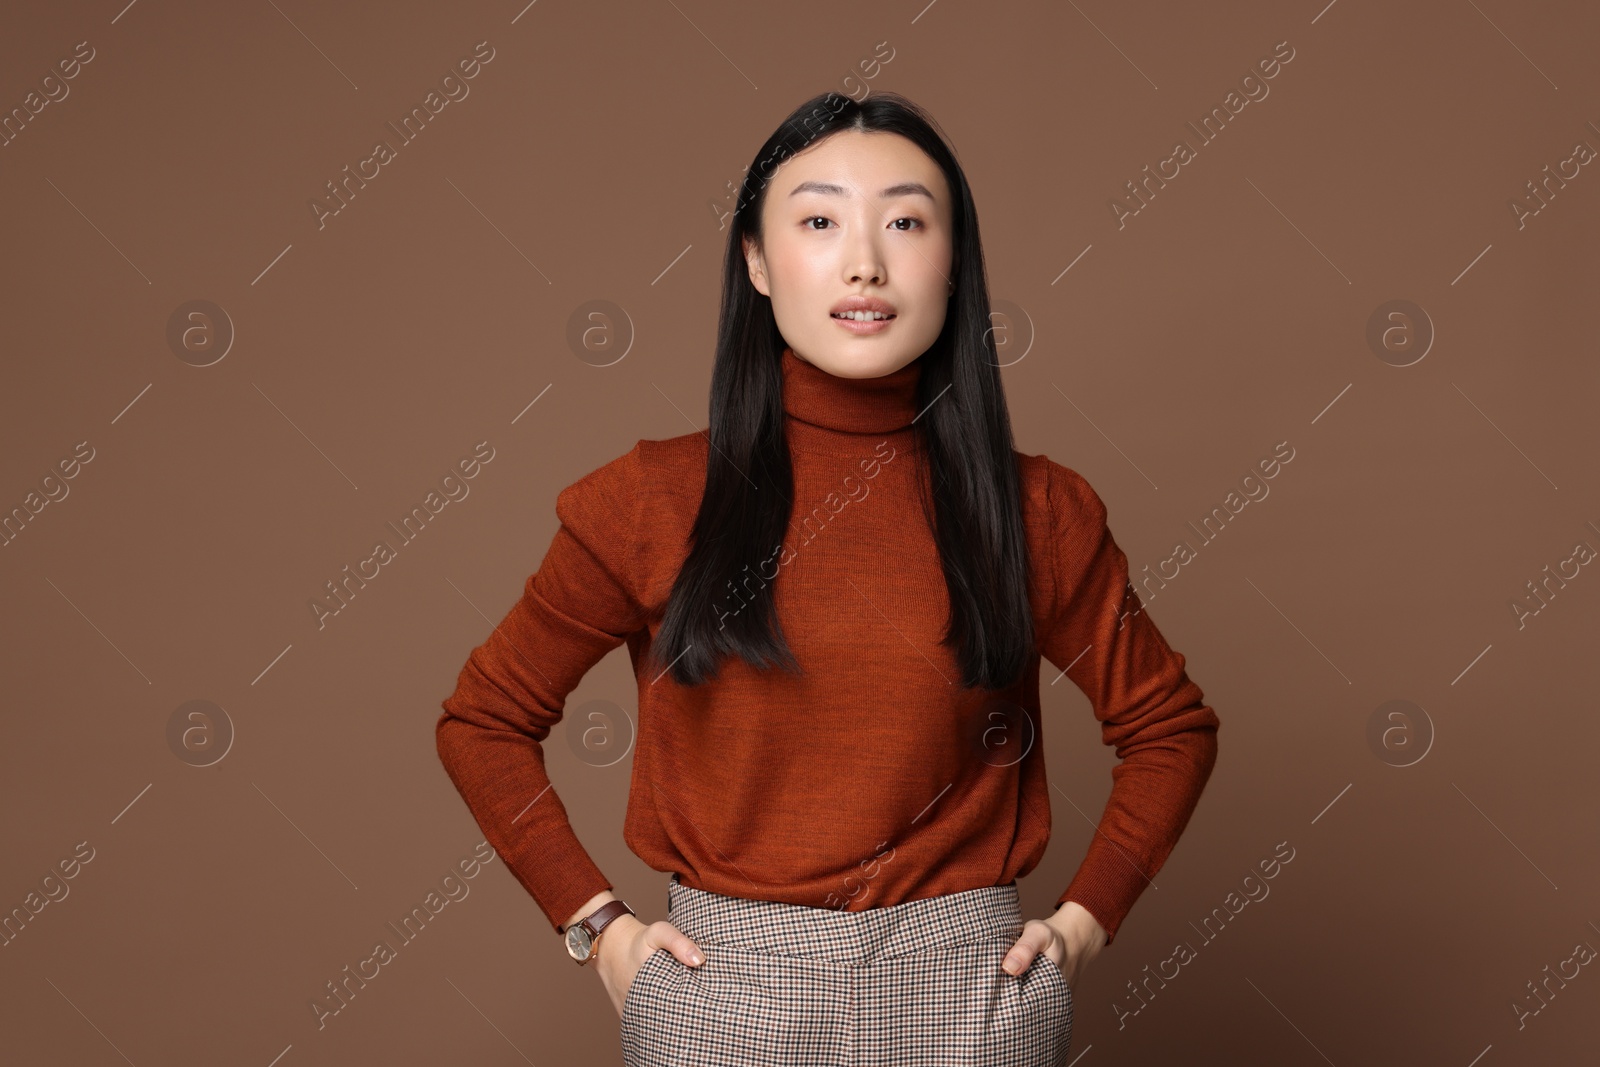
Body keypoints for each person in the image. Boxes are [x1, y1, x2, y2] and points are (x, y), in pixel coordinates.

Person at [435, 90, 1220, 1067]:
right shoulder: (649, 498)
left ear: (954, 261)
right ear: (756, 263)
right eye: (818, 220)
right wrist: (598, 926)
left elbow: (1169, 727)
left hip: (968, 996)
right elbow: (484, 719)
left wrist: (1083, 921)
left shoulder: (1036, 510)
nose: (865, 261)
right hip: (723, 995)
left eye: (904, 220)